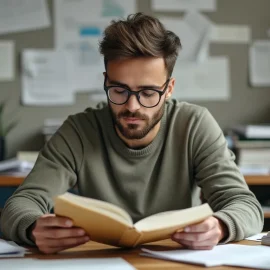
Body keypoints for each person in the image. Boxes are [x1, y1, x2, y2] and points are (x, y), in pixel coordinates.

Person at [1, 13, 263, 254]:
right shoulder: (79, 131)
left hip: (175, 259)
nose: (132, 106)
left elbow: (245, 205)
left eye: (148, 93)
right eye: (119, 90)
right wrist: (33, 227)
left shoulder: (194, 124)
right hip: (99, 260)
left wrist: (220, 226)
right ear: (106, 81)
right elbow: (20, 205)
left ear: (169, 88)